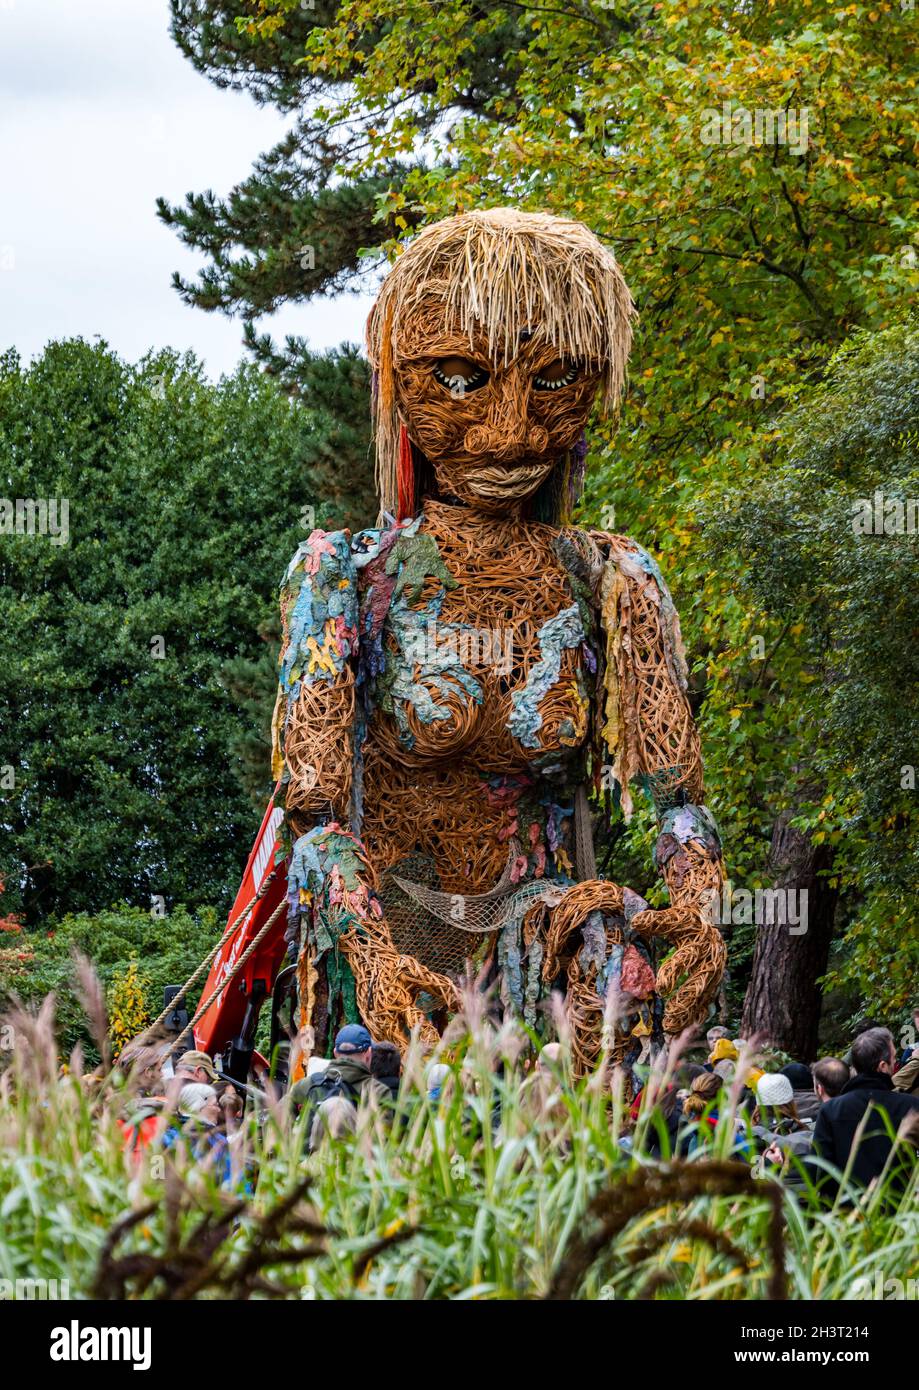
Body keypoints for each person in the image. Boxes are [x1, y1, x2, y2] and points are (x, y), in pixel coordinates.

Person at [807, 1026, 919, 1201]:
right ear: (883, 1066)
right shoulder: (912, 1107)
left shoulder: (831, 1110)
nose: (896, 1063)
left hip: (845, 1216)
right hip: (900, 1217)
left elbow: (819, 1170)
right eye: (894, 1058)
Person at [289, 1024, 387, 1150]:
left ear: (335, 1053)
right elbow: (383, 1143)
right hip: (352, 1166)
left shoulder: (307, 1084)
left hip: (307, 1166)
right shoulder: (379, 1091)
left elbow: (277, 1120)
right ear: (368, 1053)